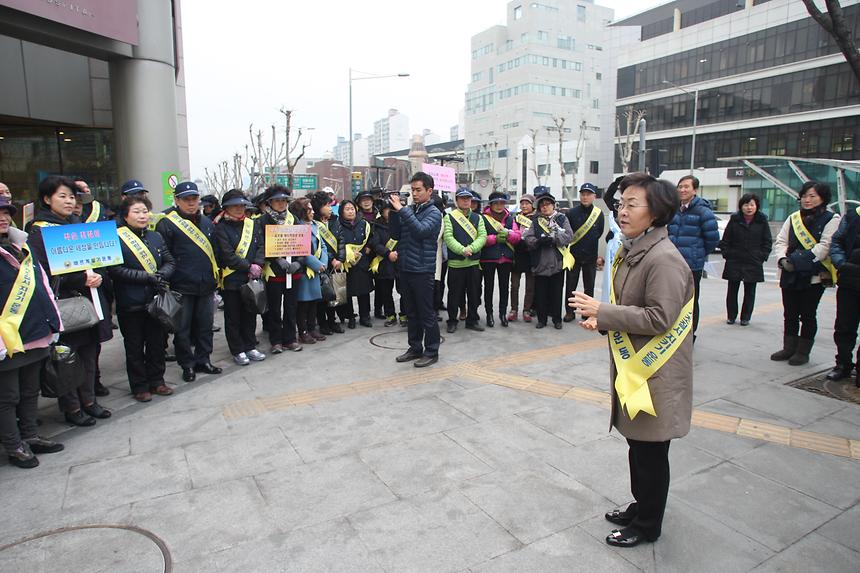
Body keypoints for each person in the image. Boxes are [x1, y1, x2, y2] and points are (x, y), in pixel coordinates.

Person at [570, 172, 694, 549]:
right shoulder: (635, 247)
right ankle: (641, 507)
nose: (621, 211)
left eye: (631, 204)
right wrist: (603, 319)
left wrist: (603, 310)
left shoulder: (664, 259)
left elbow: (660, 318)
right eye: (621, 204)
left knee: (652, 453)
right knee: (639, 447)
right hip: (637, 369)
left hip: (656, 375)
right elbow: (634, 308)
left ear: (656, 213)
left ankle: (647, 524)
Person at [28, 176, 111, 426]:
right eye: (62, 196)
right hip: (64, 304)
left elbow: (99, 260)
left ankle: (89, 401)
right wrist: (79, 280)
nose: (68, 201)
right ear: (46, 199)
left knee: (90, 353)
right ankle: (72, 407)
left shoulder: (77, 226)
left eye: (71, 197)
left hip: (89, 300)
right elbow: (41, 274)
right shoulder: (39, 231)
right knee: (67, 357)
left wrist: (98, 276)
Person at [0, 195, 65, 468]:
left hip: (35, 330)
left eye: (6, 212)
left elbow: (43, 284)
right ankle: (14, 445)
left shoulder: (21, 245)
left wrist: (55, 321)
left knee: (29, 390)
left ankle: (30, 435)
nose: (3, 217)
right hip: (7, 337)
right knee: (8, 396)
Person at [109, 195, 176, 402]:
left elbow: (169, 261)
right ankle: (139, 386)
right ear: (126, 215)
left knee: (157, 343)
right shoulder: (116, 238)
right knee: (134, 346)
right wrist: (146, 277)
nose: (142, 215)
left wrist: (162, 274)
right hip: (131, 302)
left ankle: (157, 381)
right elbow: (115, 269)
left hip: (155, 301)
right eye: (137, 211)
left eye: (145, 211)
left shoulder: (155, 236)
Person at [156, 181, 222, 382]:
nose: (191, 203)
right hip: (181, 285)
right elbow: (164, 256)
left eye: (194, 199)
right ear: (177, 200)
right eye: (186, 199)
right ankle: (187, 365)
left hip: (205, 284)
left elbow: (215, 251)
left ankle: (204, 359)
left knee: (205, 326)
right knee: (182, 329)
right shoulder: (166, 224)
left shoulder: (207, 222)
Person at [770, 182, 840, 366]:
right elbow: (781, 241)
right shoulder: (793, 218)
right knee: (790, 313)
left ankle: (803, 351)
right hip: (789, 273)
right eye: (805, 196)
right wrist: (783, 260)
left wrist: (798, 262)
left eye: (813, 196)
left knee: (808, 314)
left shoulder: (831, 219)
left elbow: (825, 246)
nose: (807, 200)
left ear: (822, 198)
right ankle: (789, 348)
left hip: (814, 275)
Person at [388, 172, 442, 367]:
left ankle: (432, 350)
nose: (414, 193)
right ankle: (415, 347)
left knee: (426, 313)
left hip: (422, 269)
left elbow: (420, 231)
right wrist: (394, 211)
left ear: (430, 190)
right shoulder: (411, 209)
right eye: (412, 190)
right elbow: (395, 233)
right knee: (411, 312)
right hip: (406, 268)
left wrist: (402, 211)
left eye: (418, 190)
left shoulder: (434, 213)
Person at [215, 189, 266, 366]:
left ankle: (250, 345)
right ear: (226, 208)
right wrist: (248, 266)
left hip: (252, 278)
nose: (238, 208)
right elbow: (227, 254)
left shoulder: (253, 224)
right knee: (233, 316)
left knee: (250, 313)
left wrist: (258, 264)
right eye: (234, 205)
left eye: (241, 205)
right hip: (232, 279)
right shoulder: (221, 228)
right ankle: (237, 349)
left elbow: (261, 245)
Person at [667, 175, 719, 336]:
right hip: (671, 263)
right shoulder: (673, 209)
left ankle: (690, 332)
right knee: (671, 298)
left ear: (694, 190)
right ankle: (672, 330)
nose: (682, 190)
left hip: (692, 265)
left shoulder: (703, 211)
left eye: (686, 187)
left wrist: (698, 253)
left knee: (690, 300)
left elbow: (712, 239)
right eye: (680, 186)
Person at [719, 193, 773, 326]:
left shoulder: (762, 221)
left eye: (752, 205)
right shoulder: (735, 220)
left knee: (750, 291)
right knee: (732, 290)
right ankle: (731, 316)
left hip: (753, 260)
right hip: (735, 259)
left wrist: (761, 256)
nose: (749, 207)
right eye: (746, 204)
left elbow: (767, 242)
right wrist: (727, 254)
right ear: (741, 206)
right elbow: (726, 239)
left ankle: (745, 317)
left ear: (757, 206)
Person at [261, 185, 303, 353]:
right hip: (274, 272)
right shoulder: (262, 220)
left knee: (291, 307)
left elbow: (303, 242)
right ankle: (276, 341)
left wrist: (299, 262)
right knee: (275, 308)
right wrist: (276, 259)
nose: (280, 203)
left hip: (293, 272)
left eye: (283, 200)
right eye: (277, 200)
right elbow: (260, 245)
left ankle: (290, 338)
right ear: (270, 202)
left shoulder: (294, 219)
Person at [522, 193, 573, 329]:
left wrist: (554, 239)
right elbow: (528, 238)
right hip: (540, 263)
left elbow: (569, 236)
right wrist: (538, 242)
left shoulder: (562, 218)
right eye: (542, 205)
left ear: (553, 205)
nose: (545, 208)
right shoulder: (536, 220)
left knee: (557, 293)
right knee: (541, 293)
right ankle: (542, 320)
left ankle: (557, 320)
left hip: (557, 262)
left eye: (547, 204)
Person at [444, 188, 487, 334]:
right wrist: (462, 250)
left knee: (474, 294)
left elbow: (482, 236)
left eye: (468, 198)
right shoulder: (449, 217)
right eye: (462, 198)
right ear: (457, 200)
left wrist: (472, 248)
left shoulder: (478, 218)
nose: (466, 201)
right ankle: (452, 320)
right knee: (454, 294)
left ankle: (472, 320)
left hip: (473, 263)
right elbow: (448, 238)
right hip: (456, 263)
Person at [828, 202, 860, 385]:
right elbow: (837, 242)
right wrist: (842, 265)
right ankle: (843, 364)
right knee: (844, 326)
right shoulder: (852, 216)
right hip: (849, 282)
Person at [563, 183, 605, 322]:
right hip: (573, 256)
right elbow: (568, 233)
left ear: (594, 196)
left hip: (590, 256)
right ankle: (569, 312)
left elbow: (598, 232)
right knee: (570, 285)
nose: (585, 197)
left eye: (588, 194)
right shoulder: (571, 213)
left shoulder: (598, 214)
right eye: (583, 194)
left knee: (589, 286)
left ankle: (587, 312)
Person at [290, 197, 329, 344]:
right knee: (303, 303)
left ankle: (312, 328)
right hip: (305, 270)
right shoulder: (297, 227)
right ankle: (303, 331)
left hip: (317, 269)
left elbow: (323, 246)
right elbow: (302, 251)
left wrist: (323, 263)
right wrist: (316, 264)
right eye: (309, 209)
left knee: (314, 302)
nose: (313, 212)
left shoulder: (314, 225)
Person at [481, 191, 520, 327]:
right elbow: (479, 238)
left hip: (506, 259)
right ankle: (489, 314)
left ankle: (502, 314)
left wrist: (508, 235)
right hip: (488, 258)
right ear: (490, 204)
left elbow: (517, 236)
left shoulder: (510, 218)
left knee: (504, 288)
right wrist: (494, 239)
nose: (499, 206)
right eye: (496, 203)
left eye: (502, 203)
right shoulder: (483, 218)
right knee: (489, 288)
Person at [336, 198, 375, 328]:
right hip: (347, 263)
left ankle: (365, 316)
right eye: (347, 209)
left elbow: (371, 238)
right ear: (342, 212)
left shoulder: (363, 223)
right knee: (347, 292)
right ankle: (350, 317)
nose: (350, 211)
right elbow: (336, 243)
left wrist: (368, 247)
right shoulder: (338, 225)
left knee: (364, 291)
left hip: (362, 260)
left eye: (352, 208)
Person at [310, 190, 344, 336]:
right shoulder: (313, 223)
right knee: (322, 295)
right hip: (321, 264)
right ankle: (322, 323)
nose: (330, 208)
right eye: (327, 205)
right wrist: (331, 259)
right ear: (318, 207)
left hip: (336, 264)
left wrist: (340, 259)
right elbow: (319, 246)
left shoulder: (335, 220)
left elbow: (341, 241)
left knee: (333, 295)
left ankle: (332, 321)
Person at [370, 197, 404, 327]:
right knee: (386, 291)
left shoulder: (402, 222)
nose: (389, 212)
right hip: (384, 262)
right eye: (387, 210)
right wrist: (387, 253)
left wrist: (398, 253)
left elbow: (406, 240)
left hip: (401, 261)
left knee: (404, 290)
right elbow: (375, 244)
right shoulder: (376, 225)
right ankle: (390, 315)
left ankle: (404, 314)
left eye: (392, 209)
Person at [509, 194, 536, 323]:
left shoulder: (538, 218)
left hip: (531, 254)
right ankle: (513, 309)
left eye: (527, 203)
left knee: (530, 286)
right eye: (522, 203)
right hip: (517, 254)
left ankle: (527, 310)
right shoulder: (515, 218)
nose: (524, 206)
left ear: (532, 205)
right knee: (514, 285)